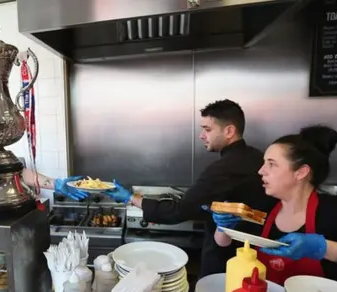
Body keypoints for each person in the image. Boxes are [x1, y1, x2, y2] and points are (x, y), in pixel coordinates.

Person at [104, 99, 273, 277]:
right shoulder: (258, 157)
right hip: (255, 256)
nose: (201, 135)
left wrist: (130, 198)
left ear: (229, 131)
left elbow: (180, 210)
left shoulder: (224, 169)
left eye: (207, 129)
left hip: (227, 261)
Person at [212, 125, 337, 285]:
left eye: (272, 164)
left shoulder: (334, 212)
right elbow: (226, 250)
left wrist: (324, 248)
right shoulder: (263, 206)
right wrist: (223, 229)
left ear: (301, 172)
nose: (261, 171)